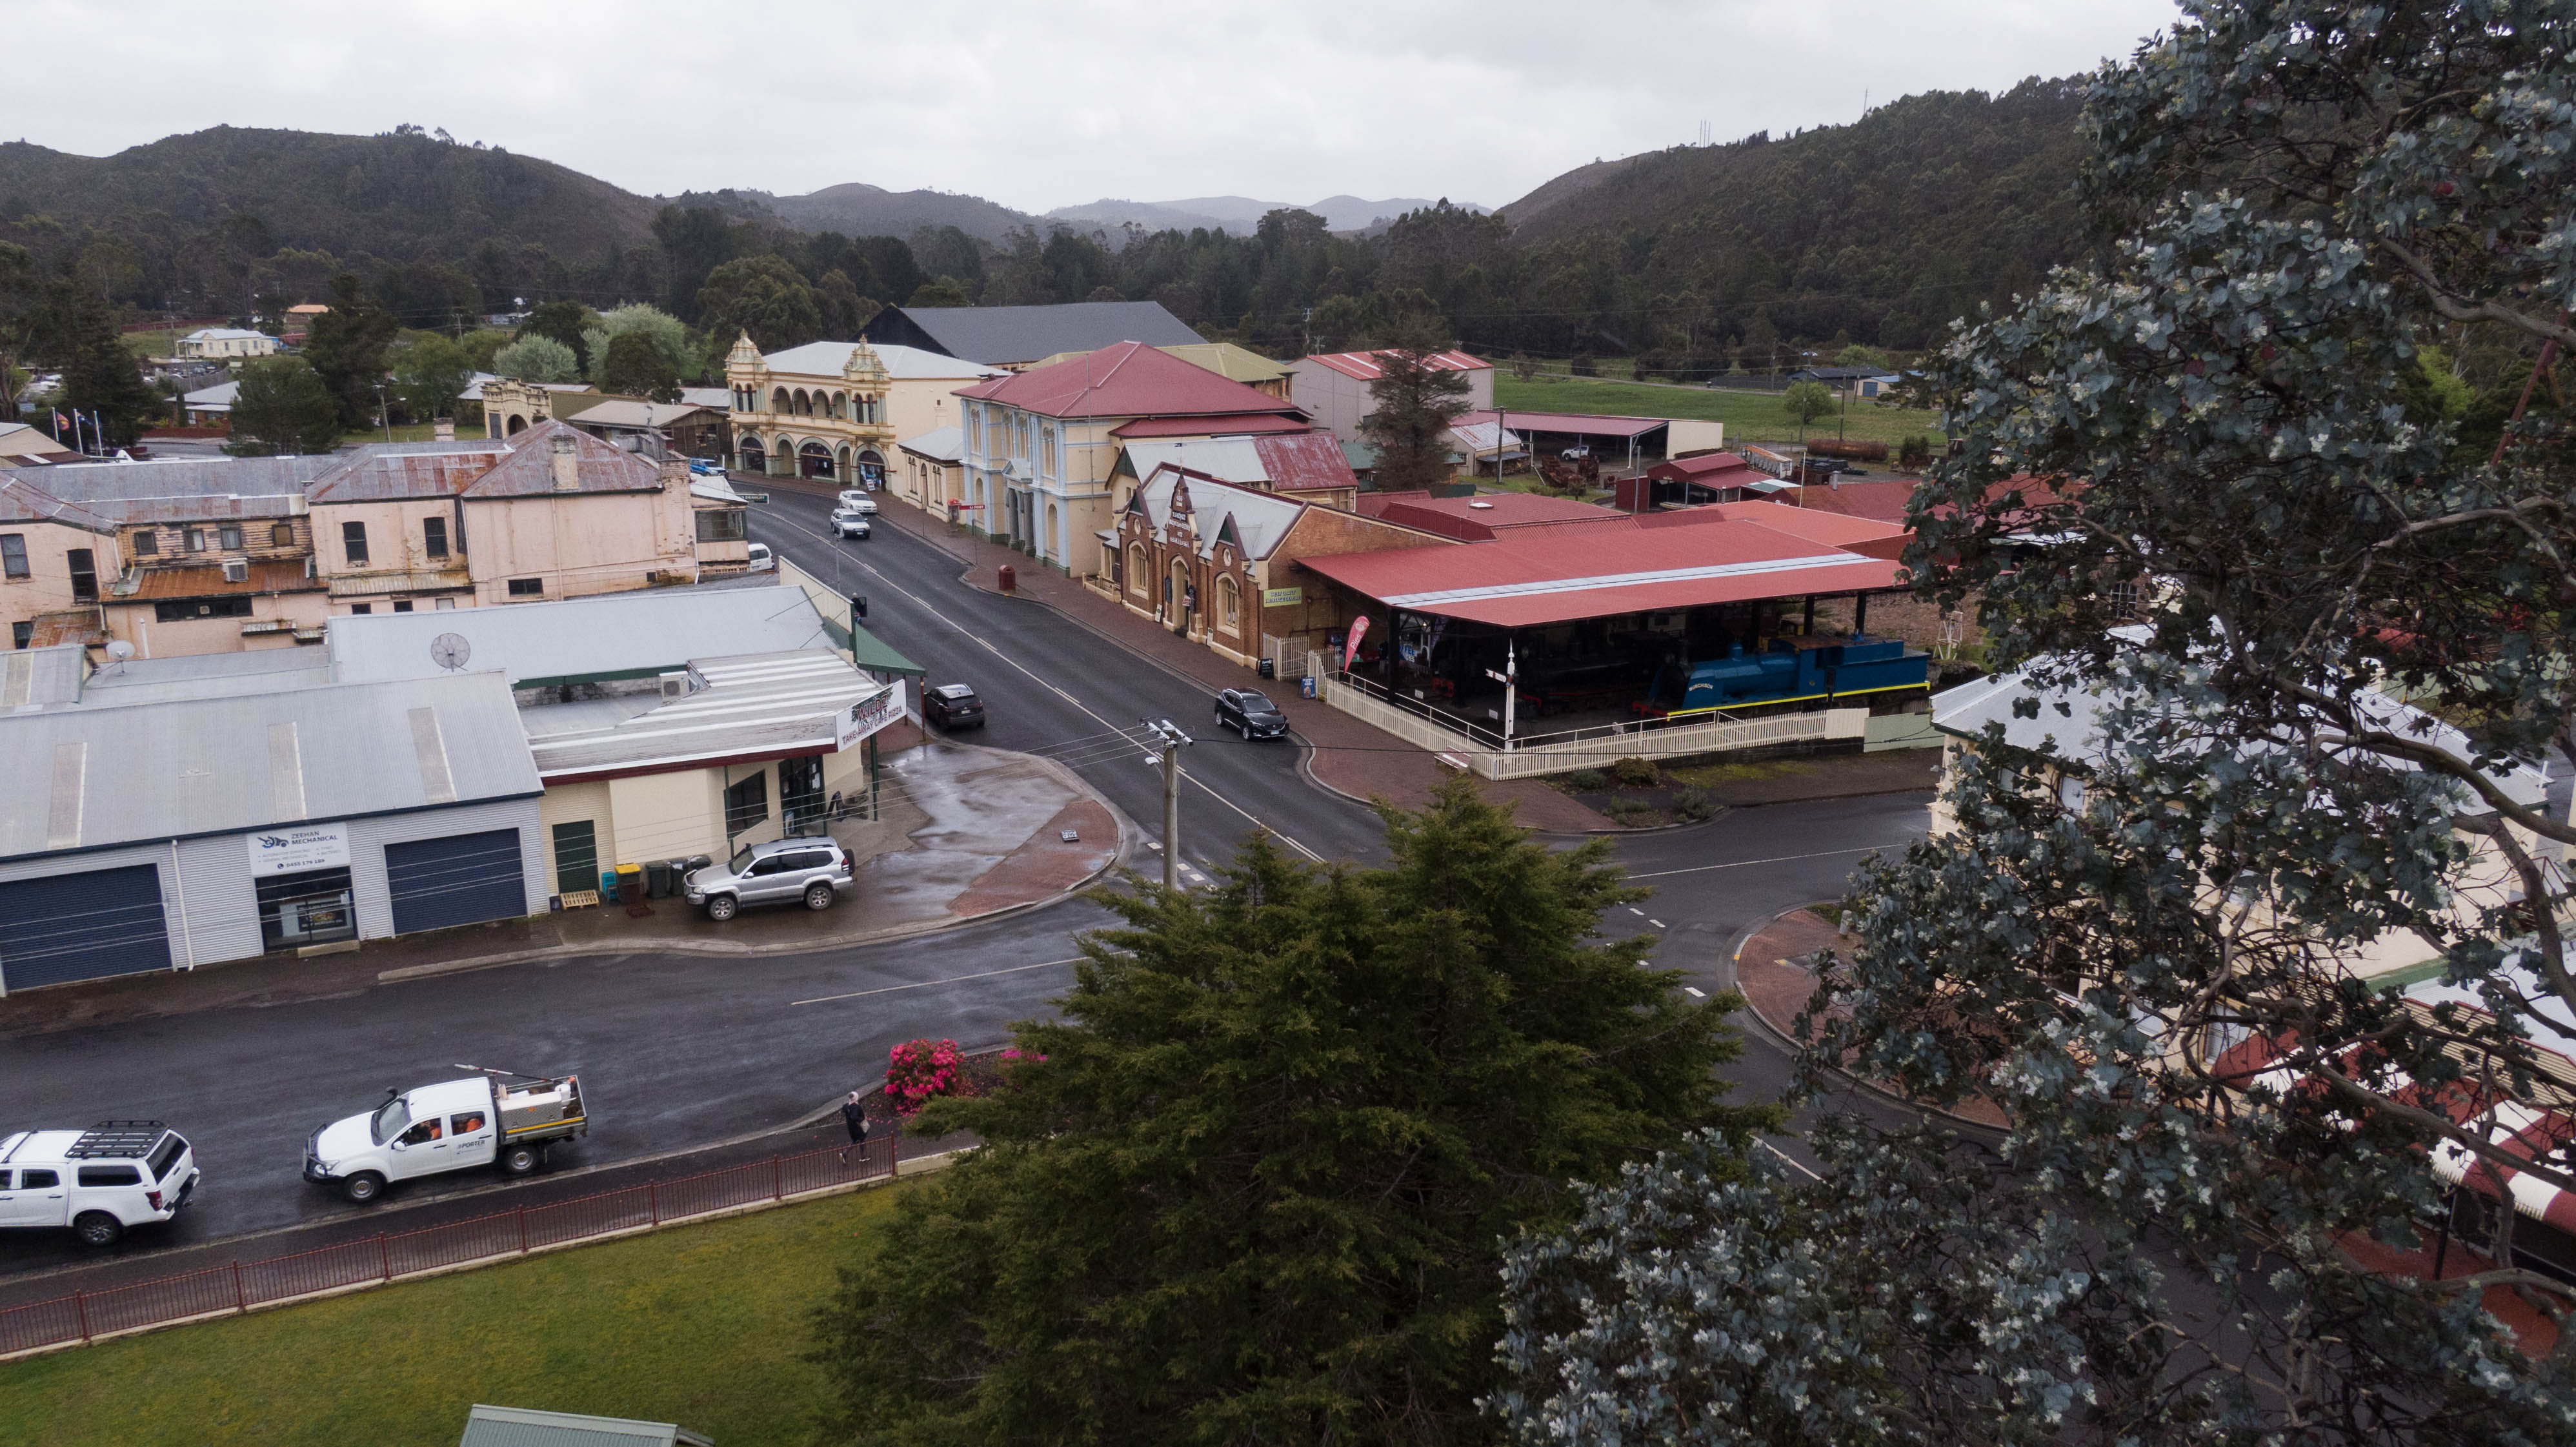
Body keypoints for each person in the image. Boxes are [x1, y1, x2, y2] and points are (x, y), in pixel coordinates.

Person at [838, 1091, 869, 1164]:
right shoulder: (855, 1107)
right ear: (856, 1098)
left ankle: (863, 1157)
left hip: (851, 1127)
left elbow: (845, 1110)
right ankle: (845, 1154)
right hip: (857, 1128)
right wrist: (862, 1119)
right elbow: (854, 1117)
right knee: (858, 1140)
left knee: (861, 1140)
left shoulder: (846, 1106)